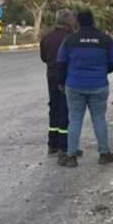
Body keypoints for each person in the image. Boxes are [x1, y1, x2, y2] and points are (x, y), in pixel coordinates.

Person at [56, 10, 113, 167]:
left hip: (74, 85)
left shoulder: (69, 40)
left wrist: (61, 82)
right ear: (93, 21)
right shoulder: (106, 40)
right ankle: (104, 154)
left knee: (75, 120)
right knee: (99, 118)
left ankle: (71, 157)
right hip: (98, 85)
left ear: (78, 23)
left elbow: (61, 63)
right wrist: (102, 71)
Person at [39, 9, 80, 156]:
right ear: (69, 21)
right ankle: (65, 145)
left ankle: (52, 145)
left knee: (54, 108)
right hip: (67, 78)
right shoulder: (71, 38)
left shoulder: (47, 37)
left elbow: (44, 58)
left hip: (51, 76)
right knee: (66, 110)